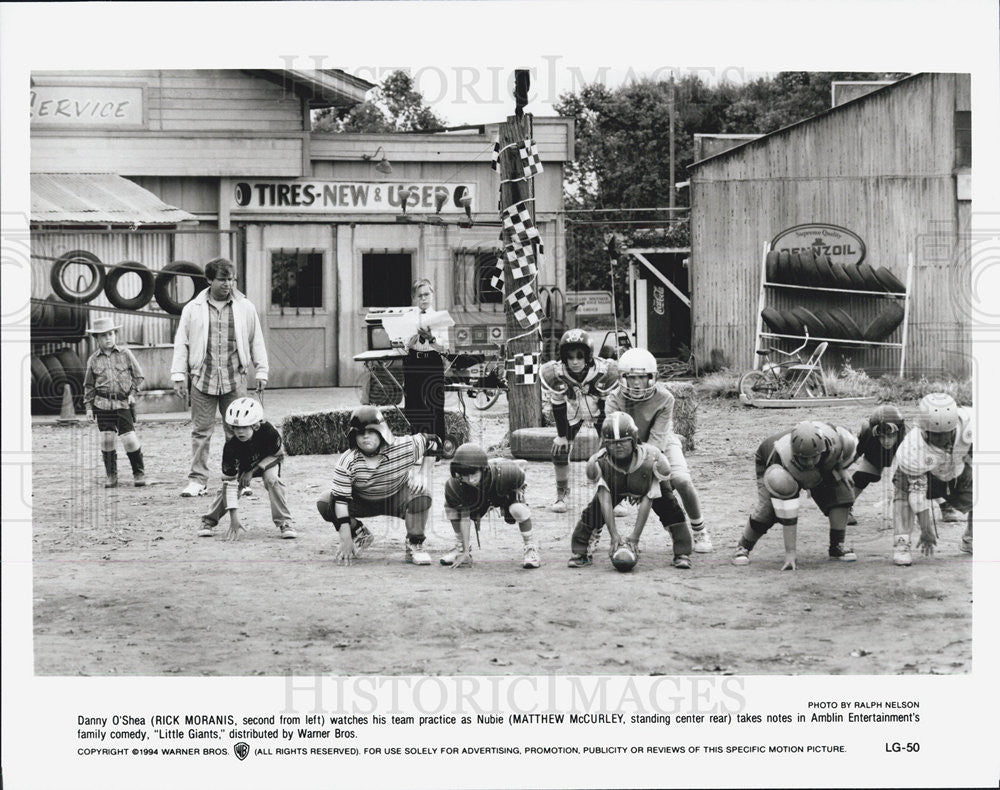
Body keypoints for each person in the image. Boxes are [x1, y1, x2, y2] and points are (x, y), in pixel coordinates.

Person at [171, 257, 269, 497]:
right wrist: (178, 375)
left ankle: (240, 479)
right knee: (201, 431)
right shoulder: (193, 308)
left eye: (231, 279)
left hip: (234, 378)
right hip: (202, 379)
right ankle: (197, 480)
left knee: (239, 432)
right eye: (223, 280)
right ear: (209, 280)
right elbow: (181, 342)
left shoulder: (245, 306)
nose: (228, 284)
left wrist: (262, 370)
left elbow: (256, 339)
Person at [605, 347, 712, 552]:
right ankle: (594, 532)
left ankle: (699, 529)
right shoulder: (614, 399)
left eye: (642, 377)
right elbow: (613, 435)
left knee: (681, 480)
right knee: (606, 483)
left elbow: (656, 443)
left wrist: (639, 474)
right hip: (626, 446)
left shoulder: (665, 398)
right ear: (622, 377)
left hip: (661, 442)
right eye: (631, 377)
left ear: (651, 377)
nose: (637, 383)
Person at [568, 412, 693, 569]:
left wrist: (635, 537)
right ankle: (580, 551)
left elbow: (648, 499)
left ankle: (682, 551)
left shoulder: (653, 458)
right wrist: (614, 535)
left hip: (644, 482)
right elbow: (604, 500)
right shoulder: (599, 462)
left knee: (669, 506)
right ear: (605, 443)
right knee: (593, 511)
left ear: (634, 440)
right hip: (615, 484)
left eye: (623, 441)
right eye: (612, 442)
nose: (618, 445)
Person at [316, 406, 438, 566]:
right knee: (326, 502)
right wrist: (345, 537)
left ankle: (414, 544)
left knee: (422, 495)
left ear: (382, 432)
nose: (365, 437)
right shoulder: (347, 461)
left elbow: (434, 441)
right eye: (360, 433)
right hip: (362, 501)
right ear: (353, 436)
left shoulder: (404, 447)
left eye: (371, 431)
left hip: (397, 497)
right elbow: (340, 500)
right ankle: (359, 533)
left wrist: (423, 473)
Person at [733, 420, 858, 570]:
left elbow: (838, 454)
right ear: (795, 453)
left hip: (817, 461)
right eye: (805, 458)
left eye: (814, 457)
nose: (810, 462)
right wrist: (790, 553)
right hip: (773, 465)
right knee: (768, 511)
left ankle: (837, 546)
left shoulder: (836, 441)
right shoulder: (781, 457)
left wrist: (840, 468)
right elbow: (788, 511)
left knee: (842, 494)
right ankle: (743, 546)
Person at [540, 328, 619, 513]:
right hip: (573, 412)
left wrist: (605, 439)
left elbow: (607, 406)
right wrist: (561, 435)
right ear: (563, 357)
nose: (574, 361)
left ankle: (615, 494)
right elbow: (558, 404)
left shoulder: (603, 371)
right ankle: (562, 494)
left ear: (588, 356)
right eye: (570, 357)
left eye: (579, 356)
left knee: (612, 451)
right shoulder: (556, 373)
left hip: (599, 411)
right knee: (560, 450)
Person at [890, 393, 973, 566]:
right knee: (904, 496)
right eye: (937, 435)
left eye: (947, 434)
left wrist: (970, 467)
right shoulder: (912, 448)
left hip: (954, 468)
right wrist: (926, 528)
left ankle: (971, 538)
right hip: (919, 471)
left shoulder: (971, 424)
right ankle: (902, 543)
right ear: (924, 430)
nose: (943, 440)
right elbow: (917, 494)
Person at [197, 397, 294, 540]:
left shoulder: (269, 432)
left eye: (244, 427)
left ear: (255, 425)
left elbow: (278, 455)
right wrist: (234, 519)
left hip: (268, 461)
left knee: (272, 480)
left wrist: (252, 471)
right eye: (236, 427)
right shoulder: (231, 447)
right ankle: (208, 521)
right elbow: (229, 485)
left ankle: (284, 522)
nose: (239, 432)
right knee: (228, 488)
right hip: (244, 466)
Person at [439, 443, 539, 569]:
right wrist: (465, 552)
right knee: (451, 507)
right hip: (477, 499)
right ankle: (461, 548)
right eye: (465, 475)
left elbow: (521, 479)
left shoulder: (506, 472)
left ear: (483, 469)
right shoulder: (455, 485)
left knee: (517, 509)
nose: (470, 479)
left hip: (502, 492)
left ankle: (530, 547)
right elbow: (465, 517)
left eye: (473, 474)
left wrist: (517, 494)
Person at [82, 317, 146, 488]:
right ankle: (111, 475)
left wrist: (132, 393)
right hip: (102, 404)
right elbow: (89, 385)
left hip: (123, 404)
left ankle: (138, 472)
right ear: (96, 339)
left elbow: (138, 376)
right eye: (103, 336)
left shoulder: (125, 354)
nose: (108, 338)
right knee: (107, 439)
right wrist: (89, 408)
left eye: (110, 334)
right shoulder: (93, 360)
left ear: (115, 334)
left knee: (130, 439)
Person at [401, 279, 448, 444]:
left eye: (427, 294)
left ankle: (438, 448)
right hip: (413, 360)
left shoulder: (440, 317)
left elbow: (444, 348)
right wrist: (410, 339)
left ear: (432, 295)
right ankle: (418, 447)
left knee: (435, 405)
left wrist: (432, 338)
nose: (423, 299)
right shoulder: (408, 317)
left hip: (432, 361)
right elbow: (401, 344)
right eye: (419, 295)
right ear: (414, 298)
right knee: (414, 405)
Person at [846, 404, 907, 525]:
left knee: (907, 479)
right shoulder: (868, 434)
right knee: (863, 476)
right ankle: (845, 506)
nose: (886, 441)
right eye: (882, 437)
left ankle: (944, 505)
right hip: (877, 452)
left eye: (890, 435)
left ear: (899, 431)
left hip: (903, 454)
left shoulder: (908, 438)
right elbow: (854, 456)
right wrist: (841, 469)